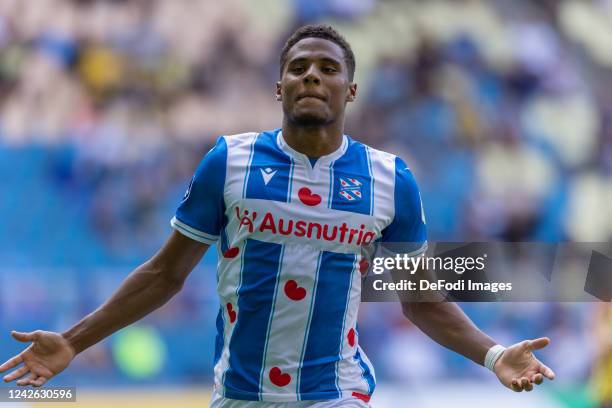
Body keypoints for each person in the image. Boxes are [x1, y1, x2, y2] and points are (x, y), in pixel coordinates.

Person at [0, 24, 555, 407]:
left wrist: (494, 353)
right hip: (241, 393)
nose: (312, 75)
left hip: (336, 391)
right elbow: (165, 274)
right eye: (298, 67)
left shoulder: (391, 180)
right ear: (279, 86)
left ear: (351, 89)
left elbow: (420, 299)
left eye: (328, 68)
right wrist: (74, 340)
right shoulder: (230, 161)